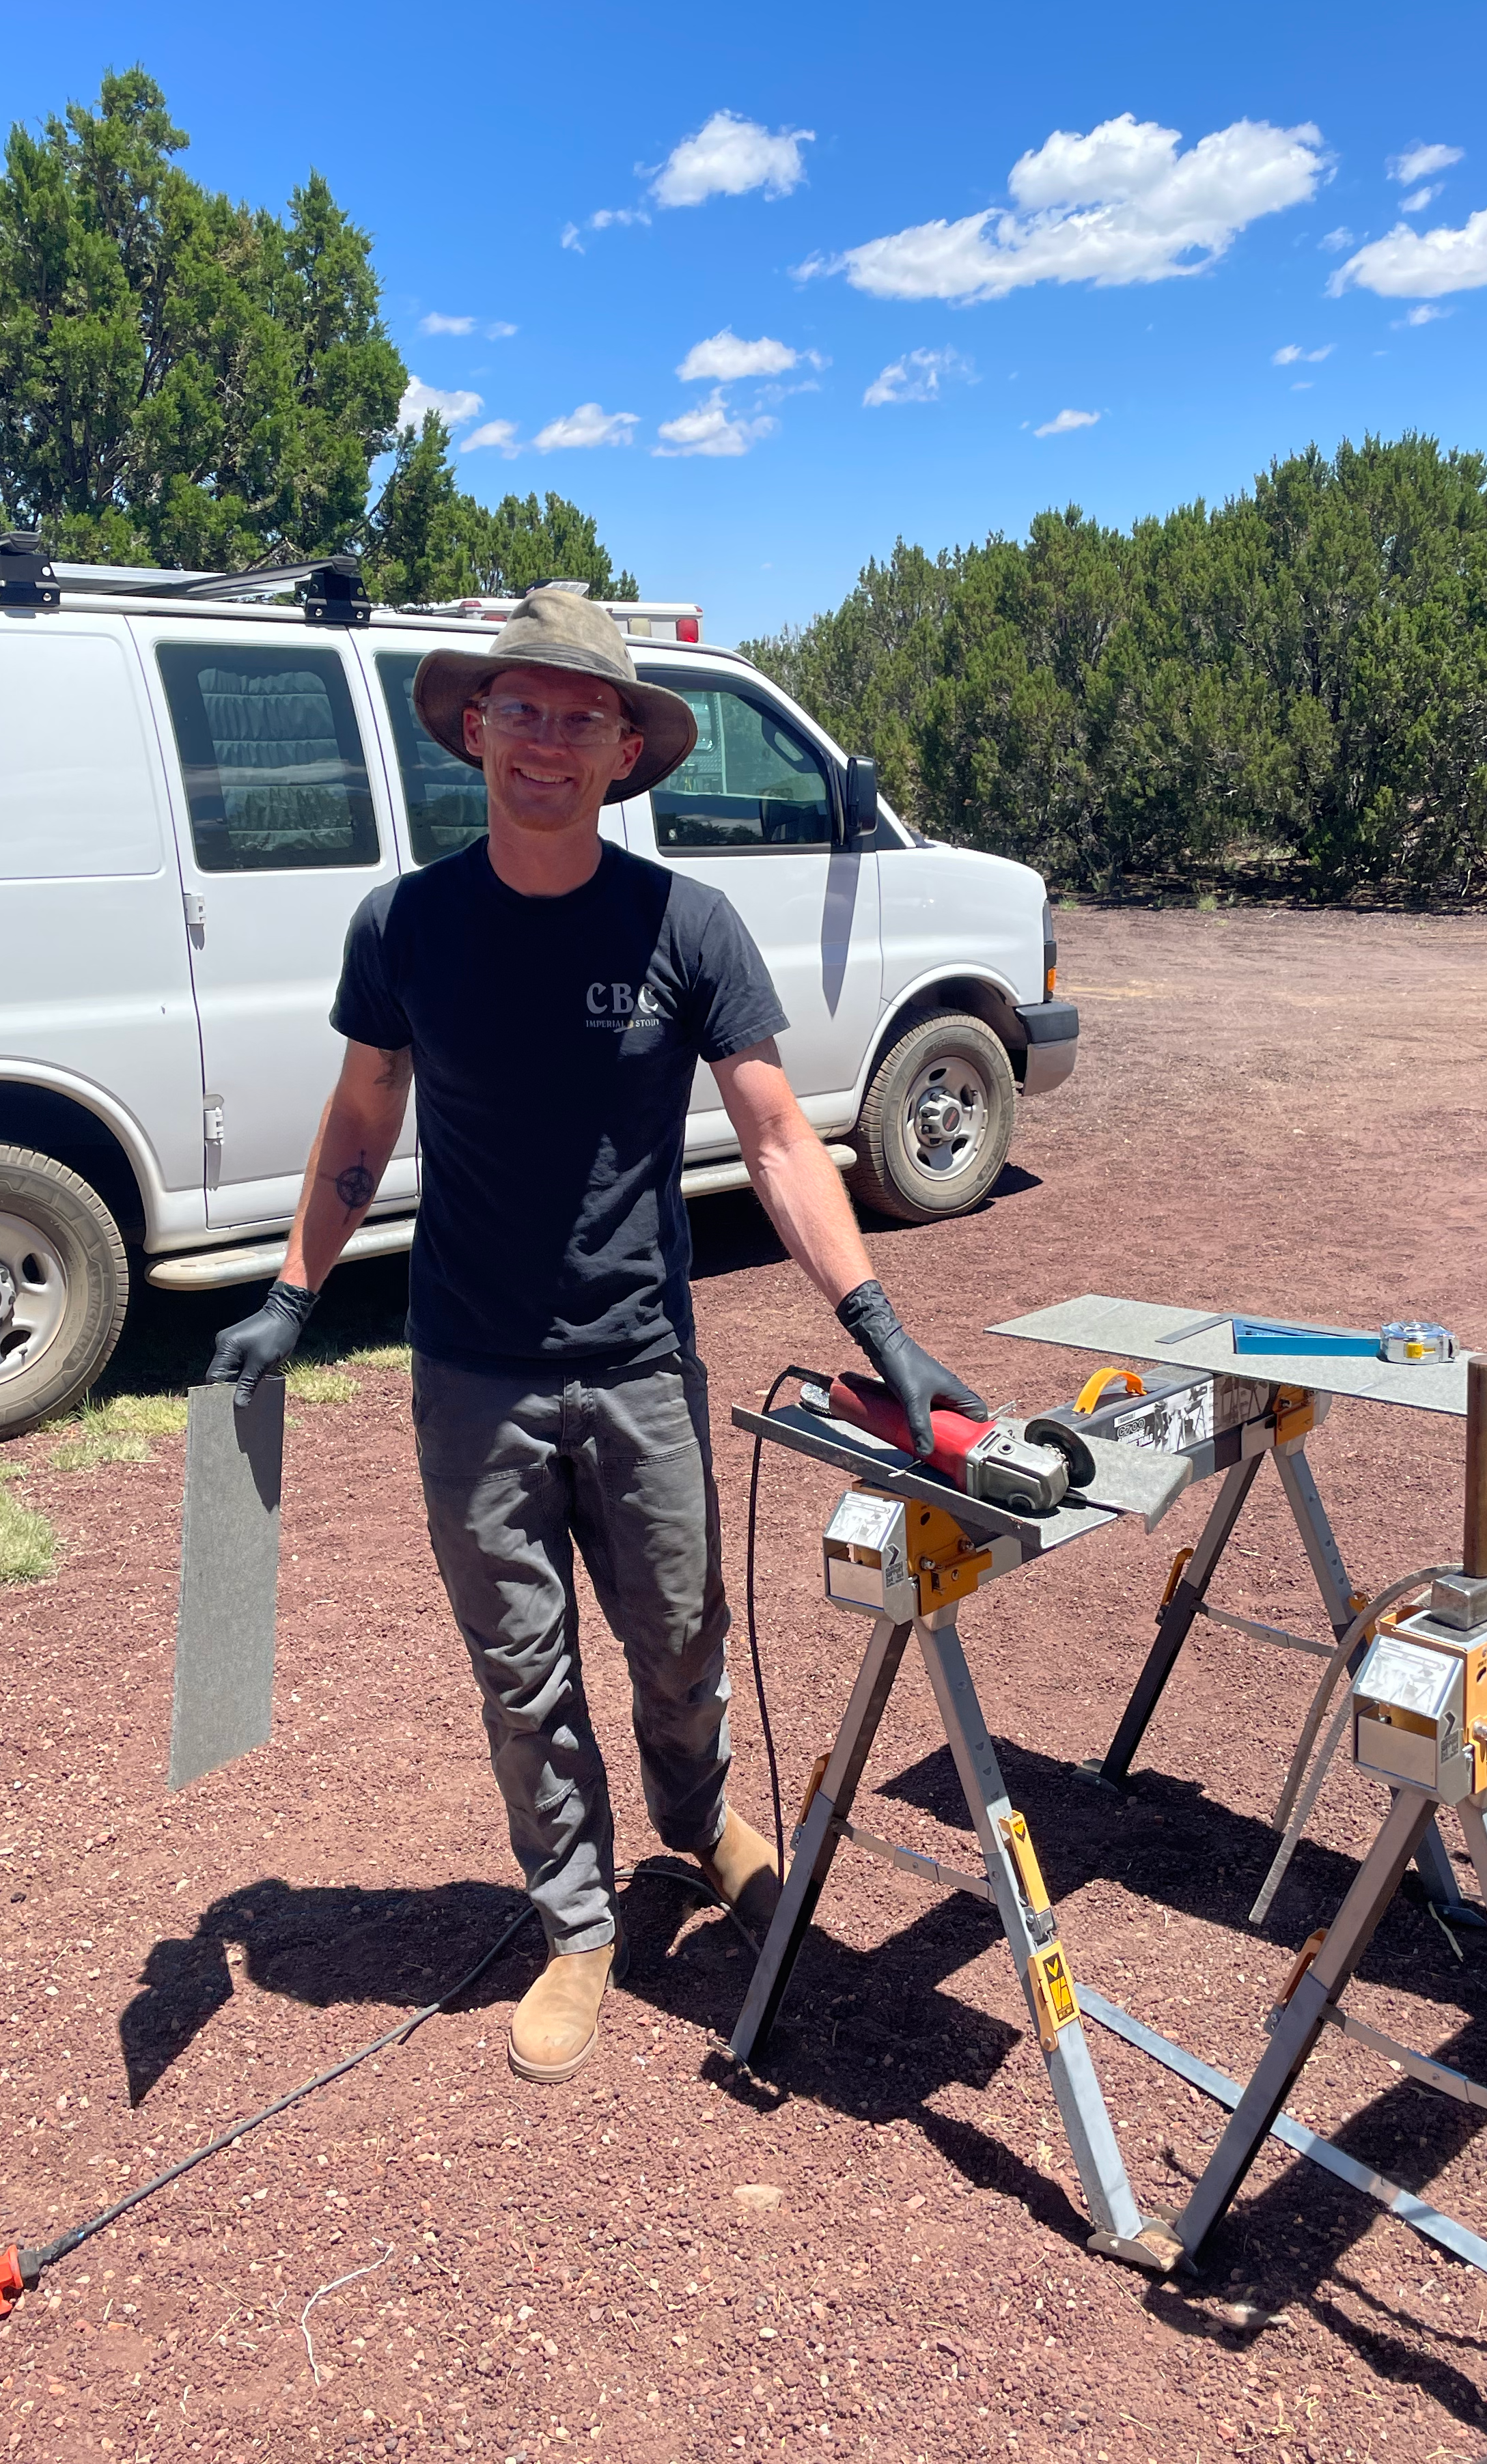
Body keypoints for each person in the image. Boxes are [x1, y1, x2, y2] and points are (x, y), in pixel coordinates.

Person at [206, 590, 985, 2084]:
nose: (546, 742)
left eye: (581, 717)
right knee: (523, 1667)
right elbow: (365, 1113)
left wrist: (879, 1324)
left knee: (682, 1637)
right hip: (471, 1370)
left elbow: (773, 1135)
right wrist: (290, 1296)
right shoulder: (410, 924)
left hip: (639, 1359)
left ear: (625, 749)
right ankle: (575, 1921)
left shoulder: (684, 924)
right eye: (522, 709)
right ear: (475, 729)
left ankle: (694, 1826)